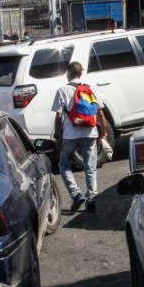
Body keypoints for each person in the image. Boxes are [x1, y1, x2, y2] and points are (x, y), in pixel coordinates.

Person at [52, 62, 107, 213]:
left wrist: (57, 136)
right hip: (90, 133)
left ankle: (76, 194)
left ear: (68, 73)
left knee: (64, 166)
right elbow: (100, 112)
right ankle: (91, 199)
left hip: (70, 135)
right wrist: (103, 132)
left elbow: (58, 116)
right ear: (80, 73)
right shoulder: (90, 89)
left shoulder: (62, 90)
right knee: (90, 166)